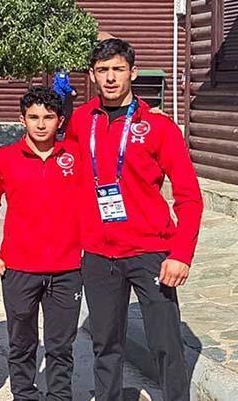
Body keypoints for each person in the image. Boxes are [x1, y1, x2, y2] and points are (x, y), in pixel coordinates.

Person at [66, 38, 204, 401]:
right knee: (105, 344)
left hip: (150, 251)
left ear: (133, 72)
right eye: (103, 70)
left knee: (165, 343)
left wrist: (181, 254)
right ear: (92, 76)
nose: (110, 78)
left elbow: (189, 197)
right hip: (98, 253)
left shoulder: (158, 127)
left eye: (118, 69)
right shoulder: (80, 121)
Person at [0, 87, 83, 401]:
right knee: (22, 343)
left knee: (61, 345)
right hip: (19, 268)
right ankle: (24, 394)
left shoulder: (76, 155)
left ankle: (60, 396)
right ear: (21, 119)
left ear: (60, 120)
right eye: (33, 117)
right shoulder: (3, 158)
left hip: (67, 269)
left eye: (48, 117)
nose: (40, 124)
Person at [52, 68, 77, 139]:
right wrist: (71, 90)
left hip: (61, 95)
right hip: (60, 95)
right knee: (62, 113)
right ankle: (59, 131)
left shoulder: (62, 73)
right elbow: (62, 84)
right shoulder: (62, 73)